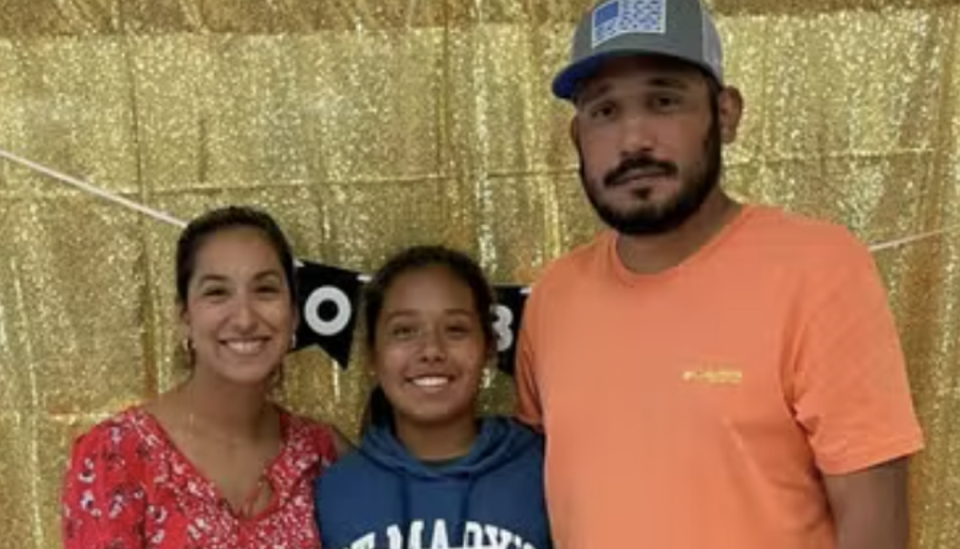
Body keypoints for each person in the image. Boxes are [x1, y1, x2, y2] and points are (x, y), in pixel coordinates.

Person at [514, 1, 924, 548]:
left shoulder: (818, 268)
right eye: (604, 111)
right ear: (577, 138)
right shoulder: (555, 296)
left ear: (726, 114)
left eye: (664, 101)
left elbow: (874, 523)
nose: (634, 139)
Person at [61, 205, 350, 549]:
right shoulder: (116, 456)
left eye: (266, 290)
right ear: (185, 316)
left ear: (295, 313)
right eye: (217, 292)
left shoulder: (321, 455)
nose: (244, 318)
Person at [316, 245, 551, 549]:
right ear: (373, 354)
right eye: (404, 331)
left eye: (455, 329)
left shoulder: (542, 472)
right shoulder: (335, 491)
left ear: (489, 347)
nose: (431, 350)